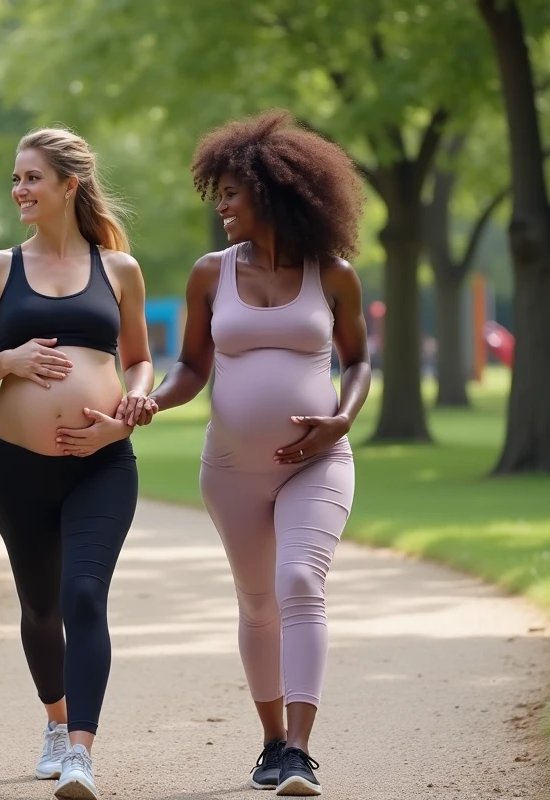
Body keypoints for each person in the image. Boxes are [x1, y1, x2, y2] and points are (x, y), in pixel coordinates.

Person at [135, 110, 370, 797]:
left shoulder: (334, 274)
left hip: (318, 463)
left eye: (232, 195)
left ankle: (300, 751)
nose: (223, 208)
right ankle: (270, 742)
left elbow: (358, 363)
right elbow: (190, 368)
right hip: (232, 471)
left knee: (300, 582)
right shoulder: (211, 274)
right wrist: (151, 400)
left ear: (272, 193)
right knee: (258, 601)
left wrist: (339, 422)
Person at [0, 127, 153, 800]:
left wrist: (135, 401)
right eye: (16, 178)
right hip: (17, 467)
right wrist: (9, 361)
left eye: (31, 177)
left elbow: (140, 358)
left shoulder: (118, 269)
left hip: (103, 462)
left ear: (70, 185)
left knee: (84, 596)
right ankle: (55, 720)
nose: (19, 189)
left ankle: (80, 753)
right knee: (40, 607)